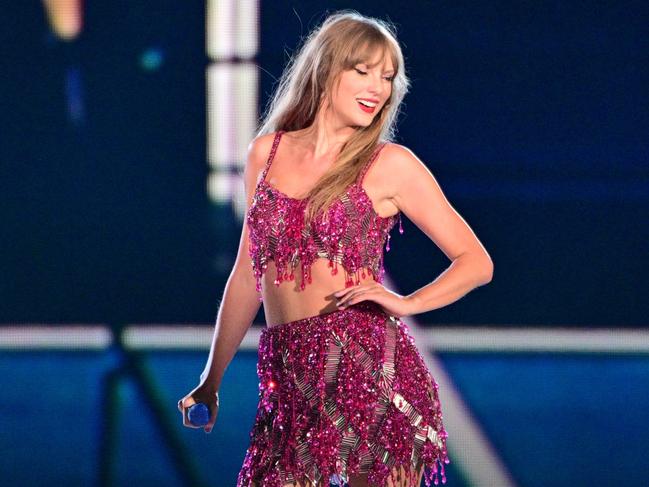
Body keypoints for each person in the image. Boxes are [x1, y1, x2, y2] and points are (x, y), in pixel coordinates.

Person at [178, 9, 493, 487]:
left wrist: (408, 303)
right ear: (326, 71)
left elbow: (476, 262)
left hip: (366, 374)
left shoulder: (391, 165)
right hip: (288, 385)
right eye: (363, 70)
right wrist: (212, 378)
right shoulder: (266, 153)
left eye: (387, 76)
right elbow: (248, 275)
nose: (378, 87)